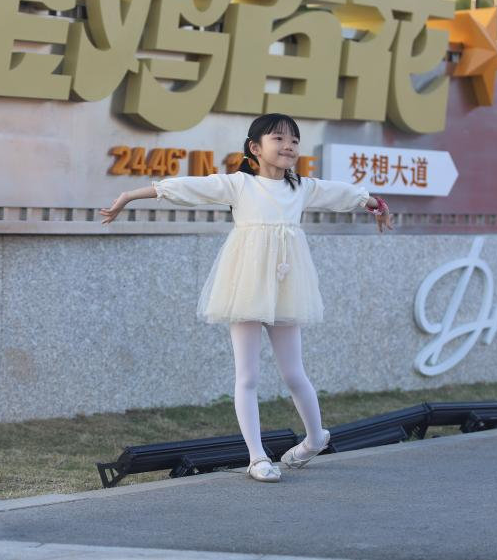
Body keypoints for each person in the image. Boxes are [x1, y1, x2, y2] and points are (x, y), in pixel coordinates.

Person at [100, 113, 394, 482]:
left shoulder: (300, 187)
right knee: (248, 375)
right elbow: (188, 187)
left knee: (293, 371)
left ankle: (316, 437)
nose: (289, 146)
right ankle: (257, 458)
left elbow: (344, 195)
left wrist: (376, 205)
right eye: (279, 139)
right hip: (245, 284)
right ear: (255, 148)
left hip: (287, 284)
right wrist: (129, 195)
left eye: (294, 141)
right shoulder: (239, 185)